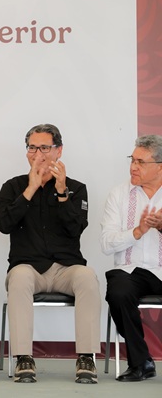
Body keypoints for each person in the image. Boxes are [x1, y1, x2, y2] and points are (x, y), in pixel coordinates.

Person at [0, 123, 100, 384]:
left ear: (58, 151)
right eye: (32, 148)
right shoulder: (12, 187)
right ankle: (23, 358)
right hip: (29, 268)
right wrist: (30, 190)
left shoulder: (76, 188)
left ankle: (86, 357)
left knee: (87, 276)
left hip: (66, 269)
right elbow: (3, 224)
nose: (37, 154)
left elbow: (76, 229)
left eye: (44, 148)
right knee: (19, 277)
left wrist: (62, 193)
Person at [100, 134, 162, 382]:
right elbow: (106, 244)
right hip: (130, 270)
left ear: (160, 167)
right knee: (118, 292)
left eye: (141, 162)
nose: (133, 167)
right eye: (132, 160)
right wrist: (137, 231)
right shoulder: (118, 194)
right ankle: (141, 362)